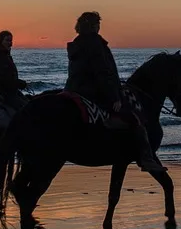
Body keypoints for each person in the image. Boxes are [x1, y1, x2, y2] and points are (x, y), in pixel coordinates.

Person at [64, 11, 166, 172]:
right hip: (94, 92)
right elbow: (103, 72)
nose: (99, 26)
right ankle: (146, 158)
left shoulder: (77, 43)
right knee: (133, 117)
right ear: (93, 26)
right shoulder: (95, 43)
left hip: (75, 89)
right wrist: (114, 97)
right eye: (97, 23)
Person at [0, 30, 28, 130]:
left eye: (11, 41)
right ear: (0, 41)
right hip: (2, 92)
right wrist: (20, 83)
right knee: (19, 116)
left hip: (8, 90)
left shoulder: (5, 55)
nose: (10, 43)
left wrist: (17, 83)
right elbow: (4, 78)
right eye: (7, 40)